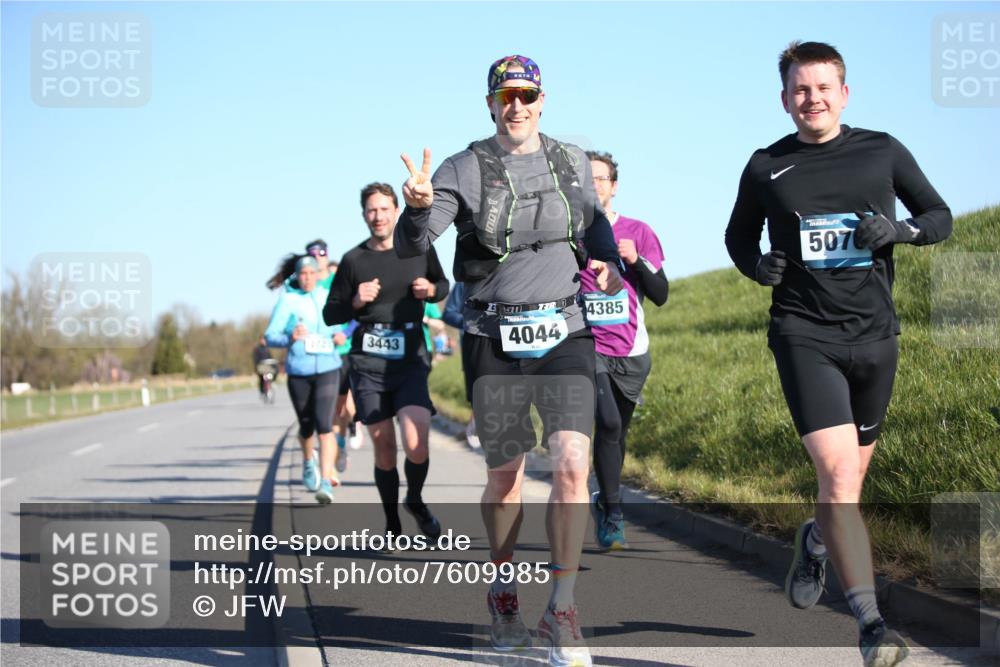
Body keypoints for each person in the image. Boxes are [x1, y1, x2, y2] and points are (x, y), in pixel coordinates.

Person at [724, 41, 951, 667]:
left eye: (823, 88)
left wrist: (900, 230)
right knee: (839, 474)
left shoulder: (882, 150)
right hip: (804, 334)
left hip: (875, 338)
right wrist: (757, 266)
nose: (813, 99)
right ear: (784, 99)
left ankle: (817, 542)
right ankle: (871, 625)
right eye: (801, 89)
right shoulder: (766, 165)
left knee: (847, 485)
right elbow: (738, 235)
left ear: (844, 94)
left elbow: (939, 215)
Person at [395, 54, 623, 667]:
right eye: (505, 97)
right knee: (506, 476)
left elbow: (594, 226)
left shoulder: (570, 160)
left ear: (542, 100)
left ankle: (563, 609)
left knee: (571, 463)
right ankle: (502, 589)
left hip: (565, 331)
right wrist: (417, 207)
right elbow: (416, 244)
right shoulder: (463, 167)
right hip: (493, 336)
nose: (516, 106)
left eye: (526, 95)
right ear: (490, 104)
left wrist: (606, 261)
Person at [324, 182, 449, 545]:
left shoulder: (419, 249)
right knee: (384, 447)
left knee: (416, 441)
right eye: (371, 210)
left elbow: (443, 285)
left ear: (396, 211)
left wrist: (430, 291)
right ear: (364, 215)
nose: (378, 216)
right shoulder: (354, 260)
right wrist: (356, 301)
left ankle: (415, 500)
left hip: (410, 359)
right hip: (368, 363)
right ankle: (393, 523)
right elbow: (331, 313)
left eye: (383, 209)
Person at [581, 151, 668, 551]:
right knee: (608, 422)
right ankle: (615, 514)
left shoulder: (638, 231)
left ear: (614, 187)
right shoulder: (569, 233)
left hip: (631, 348)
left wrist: (636, 260)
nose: (594, 184)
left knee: (617, 433)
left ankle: (605, 500)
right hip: (586, 345)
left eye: (601, 178)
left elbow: (661, 294)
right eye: (587, 178)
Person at [265, 255, 345, 504]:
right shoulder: (288, 300)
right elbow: (270, 336)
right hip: (299, 371)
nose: (308, 278)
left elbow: (344, 325)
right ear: (297, 276)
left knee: (325, 425)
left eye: (312, 273)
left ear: (318, 275)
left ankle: (326, 482)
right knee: (307, 425)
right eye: (303, 274)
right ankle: (309, 461)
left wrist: (341, 335)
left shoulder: (328, 295)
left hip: (329, 367)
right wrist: (290, 336)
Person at [442, 281, 480, 448]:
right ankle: (477, 425)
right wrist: (474, 322)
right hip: (473, 346)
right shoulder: (465, 281)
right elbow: (449, 313)